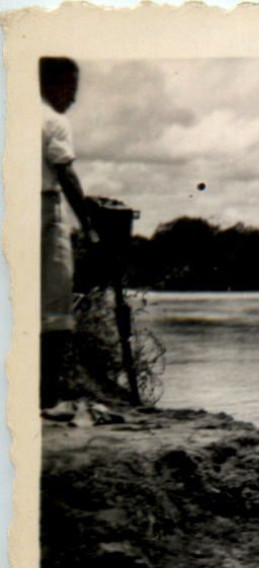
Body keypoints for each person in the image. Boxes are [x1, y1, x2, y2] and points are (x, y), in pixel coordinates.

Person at [40, 56, 97, 408]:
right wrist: (88, 226)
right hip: (43, 207)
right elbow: (66, 174)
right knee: (56, 303)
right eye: (70, 88)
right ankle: (48, 397)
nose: (73, 98)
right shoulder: (52, 120)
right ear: (50, 84)